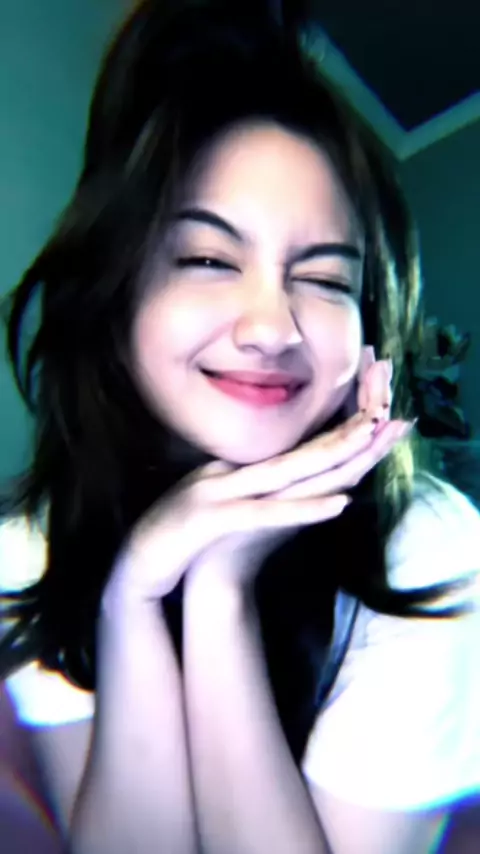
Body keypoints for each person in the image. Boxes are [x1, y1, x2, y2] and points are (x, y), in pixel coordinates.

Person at [0, 2, 479, 852]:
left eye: (326, 280)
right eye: (209, 259)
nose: (272, 328)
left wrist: (218, 589)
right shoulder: (28, 546)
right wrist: (131, 597)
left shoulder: (432, 546)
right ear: (116, 297)